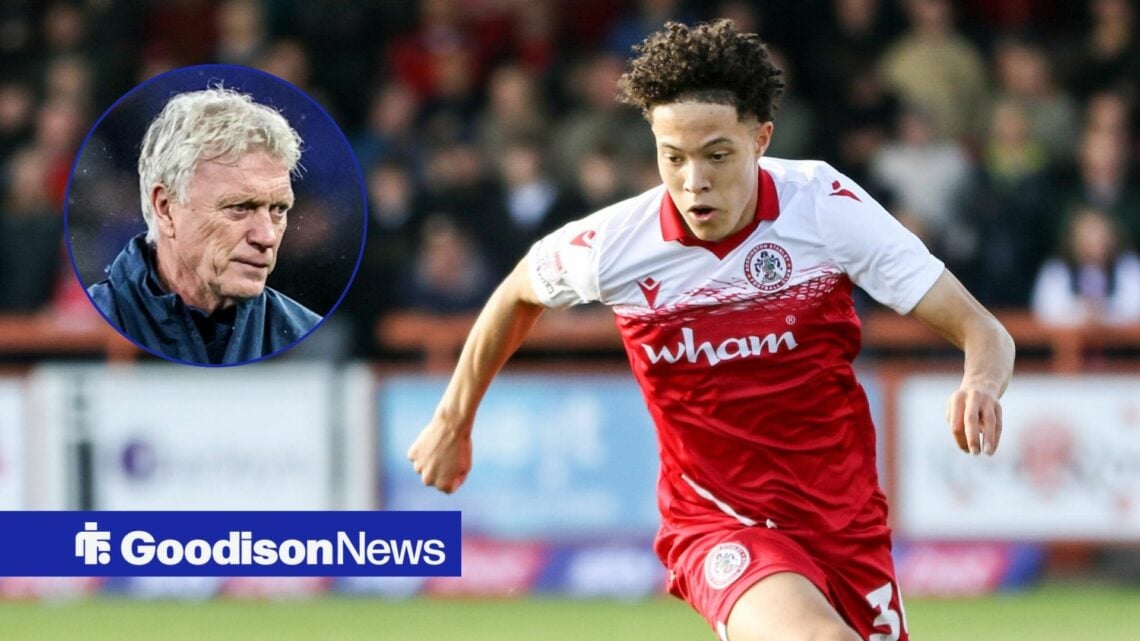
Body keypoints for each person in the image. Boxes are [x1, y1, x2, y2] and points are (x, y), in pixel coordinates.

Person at [408, 20, 1013, 641]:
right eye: (673, 158)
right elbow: (516, 293)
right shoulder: (616, 244)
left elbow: (984, 330)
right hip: (717, 521)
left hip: (843, 521)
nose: (694, 181)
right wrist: (454, 420)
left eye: (717, 155)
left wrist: (981, 383)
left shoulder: (826, 207)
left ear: (761, 139)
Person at [87, 87, 321, 365]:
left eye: (279, 209)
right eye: (239, 207)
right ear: (165, 208)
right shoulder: (88, 330)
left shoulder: (306, 335)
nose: (267, 236)